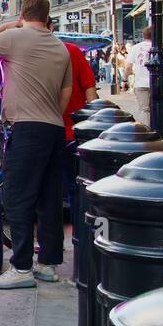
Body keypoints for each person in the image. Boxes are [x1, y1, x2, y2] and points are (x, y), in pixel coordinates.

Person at [0, 0, 72, 288]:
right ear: (47, 15)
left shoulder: (16, 38)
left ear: (22, 14)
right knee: (48, 198)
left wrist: (4, 27)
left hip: (26, 128)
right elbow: (65, 95)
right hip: (53, 128)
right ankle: (48, 265)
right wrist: (49, 113)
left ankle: (22, 267)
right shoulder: (60, 47)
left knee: (16, 196)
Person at [60, 32, 98, 220]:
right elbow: (91, 92)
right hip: (74, 132)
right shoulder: (71, 51)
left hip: (47, 131)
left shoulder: (26, 51)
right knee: (77, 186)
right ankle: (79, 235)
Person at [124, 28, 153, 125]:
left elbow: (128, 67)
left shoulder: (135, 48)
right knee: (156, 108)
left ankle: (147, 131)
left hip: (140, 83)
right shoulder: (158, 47)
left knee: (144, 109)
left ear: (143, 35)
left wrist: (124, 80)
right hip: (155, 82)